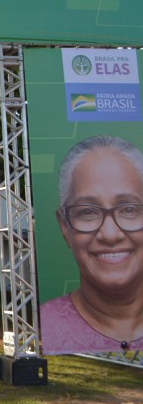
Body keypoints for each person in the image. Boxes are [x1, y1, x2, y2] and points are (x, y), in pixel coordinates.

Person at [42, 135, 143, 354]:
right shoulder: (42, 327)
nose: (110, 234)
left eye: (128, 209)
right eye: (88, 212)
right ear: (65, 227)